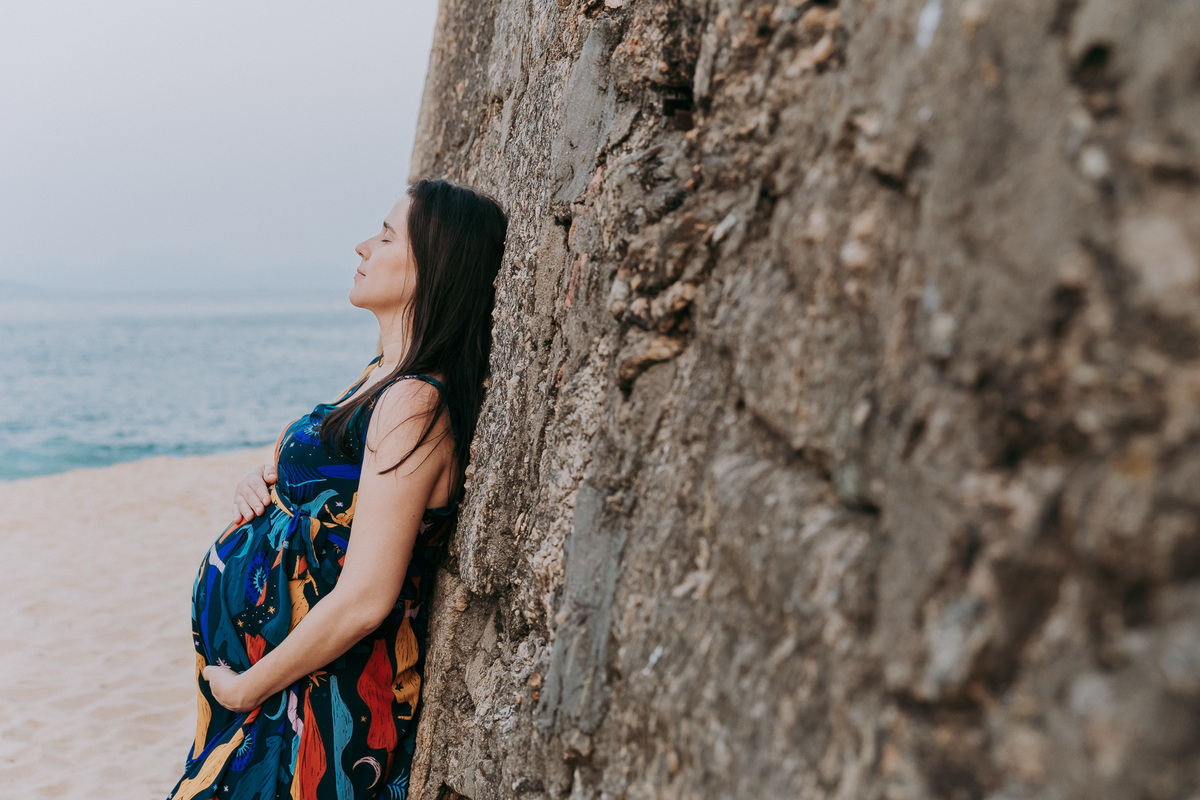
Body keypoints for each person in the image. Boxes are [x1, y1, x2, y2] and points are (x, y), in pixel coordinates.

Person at [166, 179, 507, 800]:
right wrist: (263, 479)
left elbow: (366, 598)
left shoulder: (414, 403)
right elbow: (314, 465)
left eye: (384, 236)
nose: (361, 247)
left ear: (436, 265)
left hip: (315, 699)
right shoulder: (382, 376)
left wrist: (248, 689)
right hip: (281, 685)